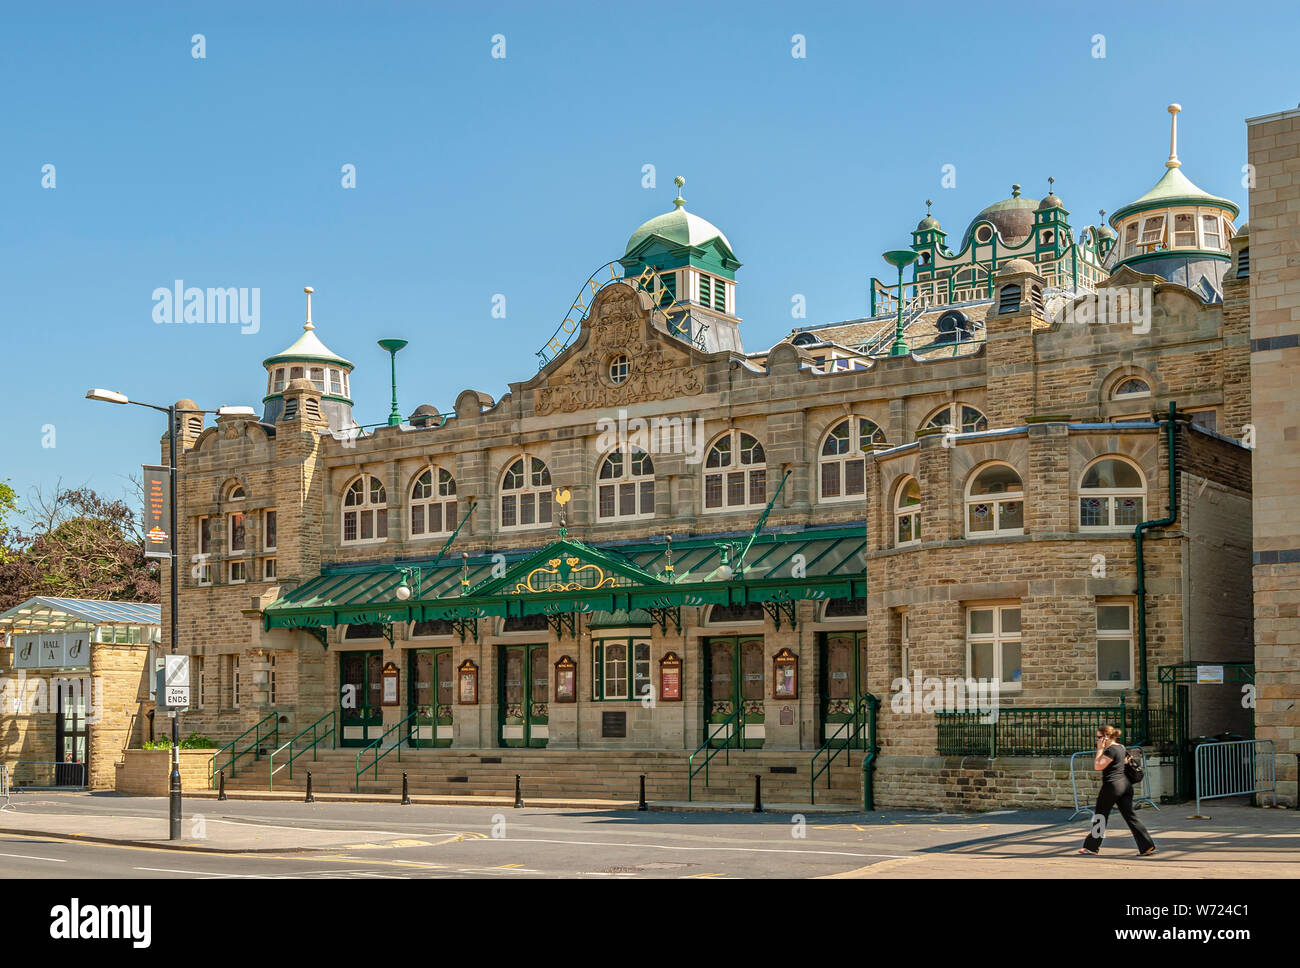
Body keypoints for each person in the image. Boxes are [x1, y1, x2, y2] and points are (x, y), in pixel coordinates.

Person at [1077, 724, 1156, 856]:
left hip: (1112, 786)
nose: (1097, 740)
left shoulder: (1110, 750)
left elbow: (1098, 766)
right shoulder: (1121, 747)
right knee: (1130, 816)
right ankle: (1147, 845)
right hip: (1125, 785)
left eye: (1099, 737)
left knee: (1100, 816)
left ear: (1106, 737)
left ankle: (1091, 847)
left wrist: (1099, 750)